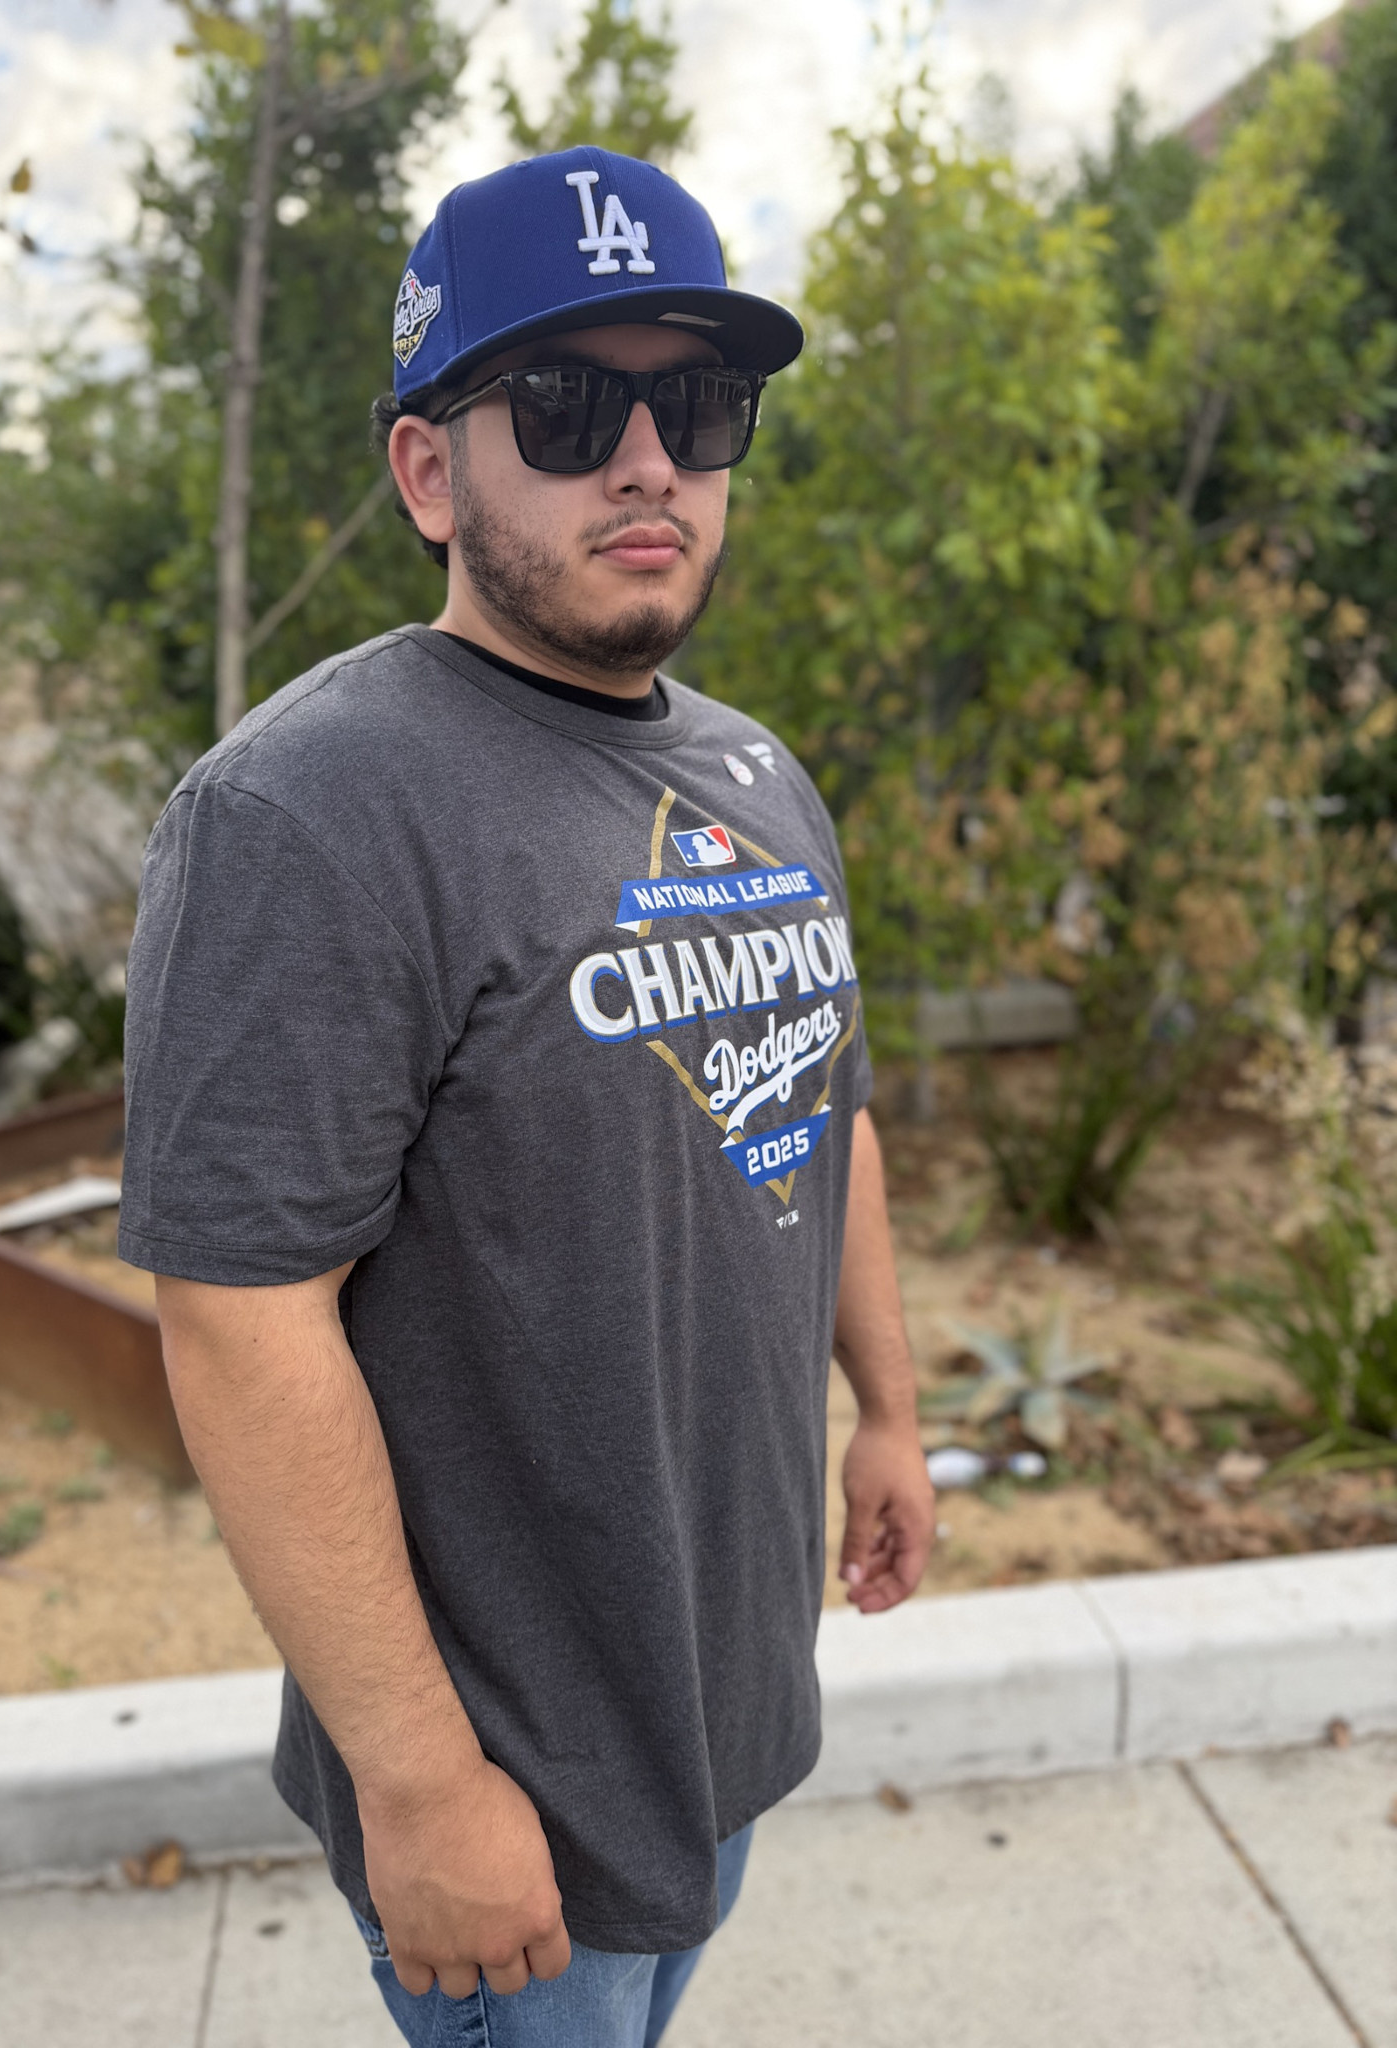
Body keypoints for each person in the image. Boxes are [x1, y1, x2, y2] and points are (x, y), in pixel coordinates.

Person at [118, 144, 934, 2048]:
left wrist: (891, 1413)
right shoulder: (308, 812)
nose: (648, 461)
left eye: (698, 406)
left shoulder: (758, 775)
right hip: (516, 1795)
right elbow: (240, 1322)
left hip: (721, 1709)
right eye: (568, 406)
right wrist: (420, 1788)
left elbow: (825, 1108)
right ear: (430, 472)